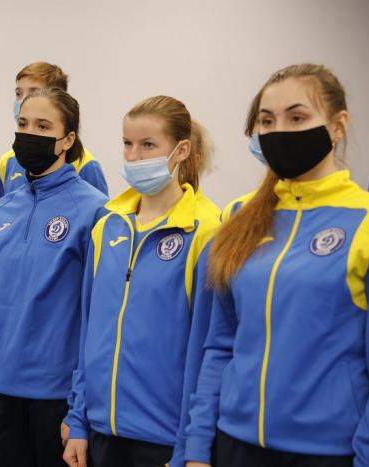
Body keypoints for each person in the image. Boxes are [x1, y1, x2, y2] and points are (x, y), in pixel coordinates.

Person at [185, 64, 369, 467]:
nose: (279, 131)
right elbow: (220, 345)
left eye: (297, 117)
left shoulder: (364, 221)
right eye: (267, 121)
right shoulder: (242, 219)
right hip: (234, 443)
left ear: (338, 126)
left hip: (325, 453)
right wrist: (197, 446)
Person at [0, 88, 109, 467]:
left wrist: (80, 410)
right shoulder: (2, 209)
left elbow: (97, 320)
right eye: (23, 124)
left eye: (43, 126)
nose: (29, 134)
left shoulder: (95, 211)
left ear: (68, 139)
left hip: (56, 397)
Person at [62, 96, 220, 467]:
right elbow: (89, 331)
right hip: (101, 432)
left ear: (181, 150)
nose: (134, 157)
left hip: (165, 439)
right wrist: (78, 418)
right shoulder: (107, 227)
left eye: (148, 145)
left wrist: (192, 446)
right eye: (127, 144)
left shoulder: (205, 233)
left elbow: (206, 350)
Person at [0, 62, 108, 196]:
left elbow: (97, 205)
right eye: (18, 93)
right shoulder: (6, 162)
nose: (24, 100)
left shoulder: (85, 164)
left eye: (34, 92)